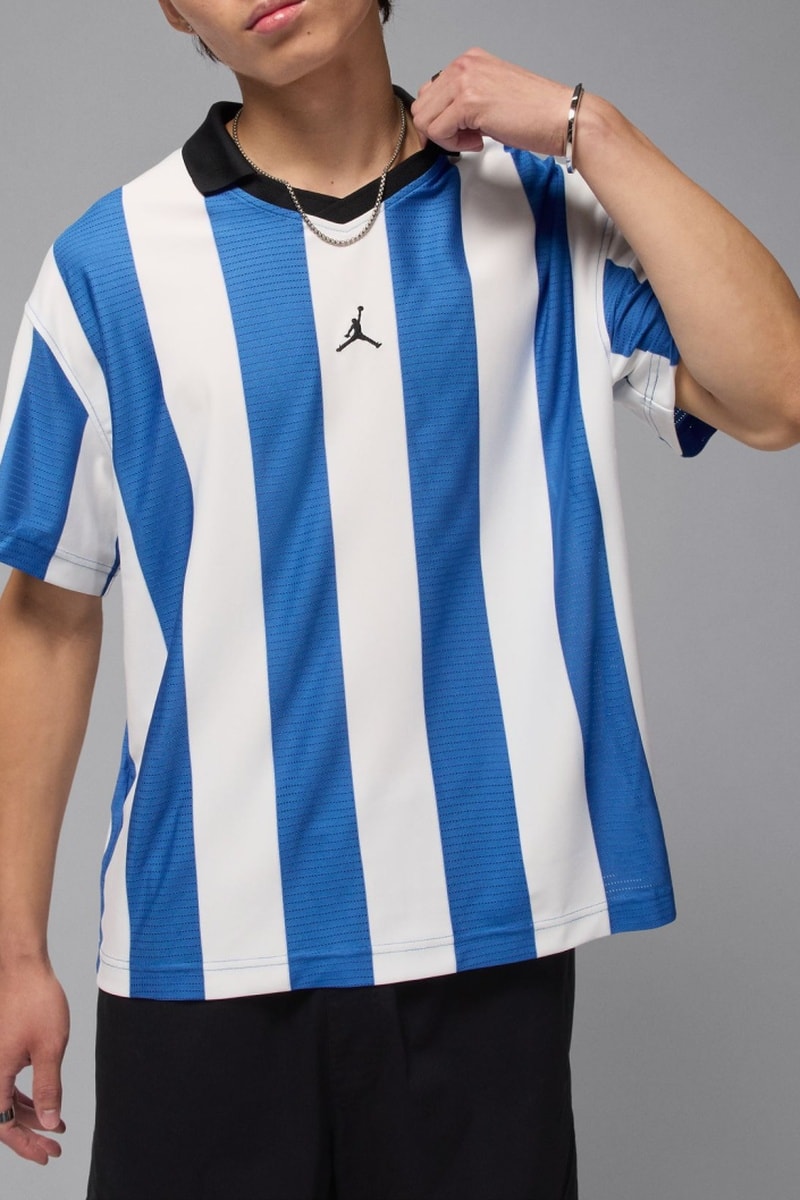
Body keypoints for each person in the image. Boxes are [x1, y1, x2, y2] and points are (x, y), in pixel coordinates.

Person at [0, 1, 798, 1197]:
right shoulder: (106, 268)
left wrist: (591, 131)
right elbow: (48, 609)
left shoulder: (543, 216)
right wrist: (14, 946)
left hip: (484, 944)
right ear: (172, 10)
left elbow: (774, 393)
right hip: (199, 952)